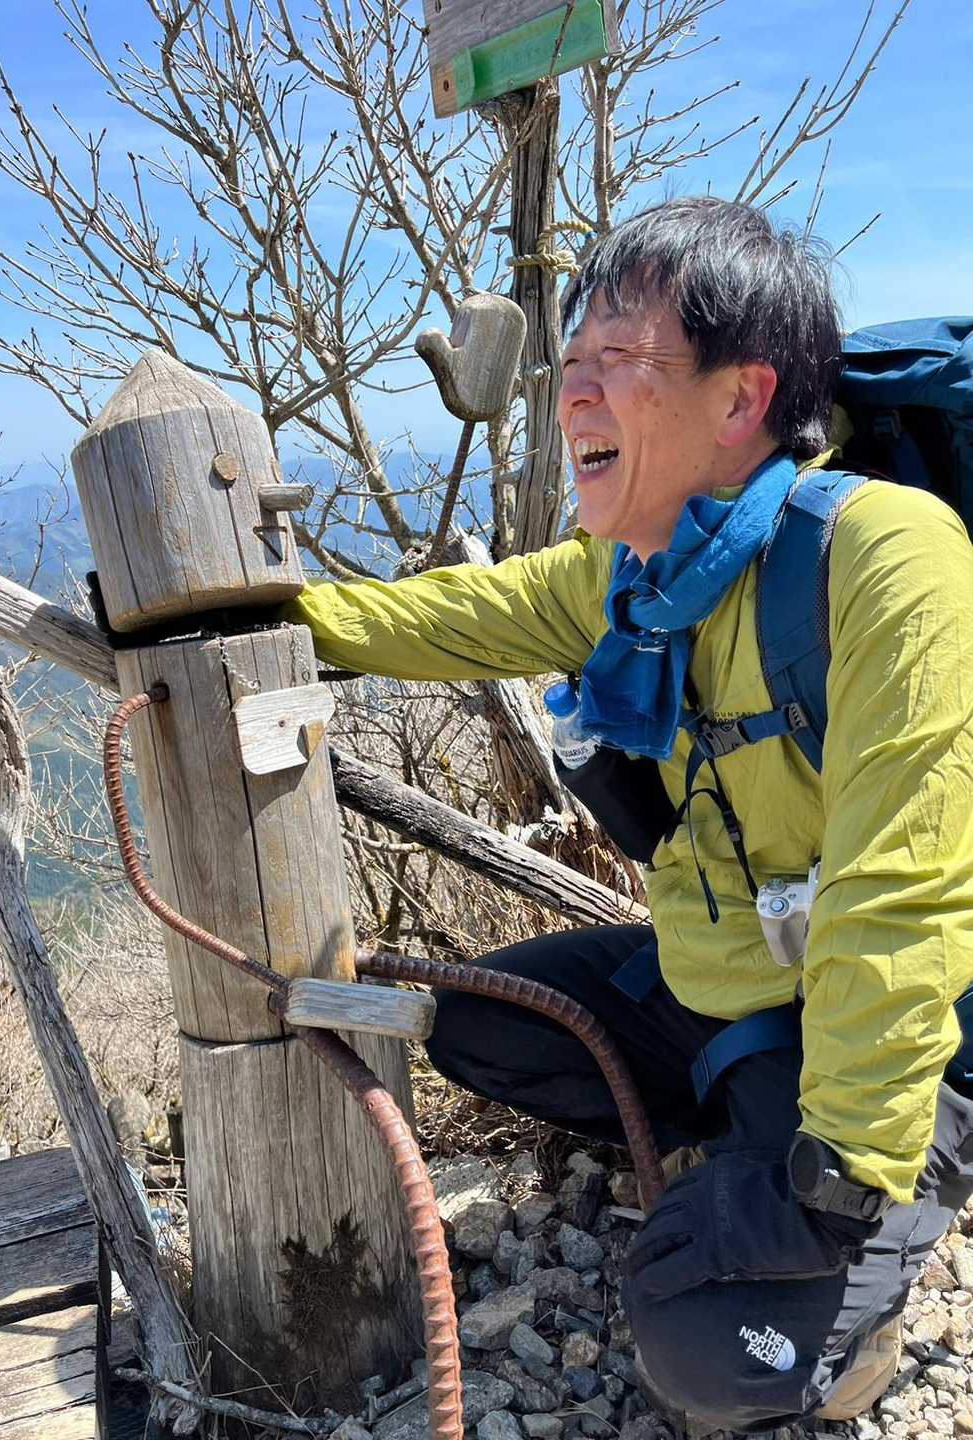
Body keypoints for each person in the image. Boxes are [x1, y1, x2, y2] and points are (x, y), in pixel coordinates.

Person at [280, 197, 973, 1431]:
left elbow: (901, 890)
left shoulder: (883, 556)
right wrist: (239, 611)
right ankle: (746, 1129)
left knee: (709, 1362)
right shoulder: (640, 571)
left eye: (619, 357)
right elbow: (452, 615)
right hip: (734, 985)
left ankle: (870, 1245)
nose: (575, 395)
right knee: (477, 1024)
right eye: (571, 362)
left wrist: (834, 1186)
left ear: (742, 399)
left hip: (888, 1024)